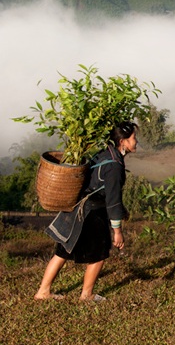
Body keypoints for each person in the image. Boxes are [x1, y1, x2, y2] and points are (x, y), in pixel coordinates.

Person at [34, 122, 138, 302]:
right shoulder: (114, 166)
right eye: (133, 138)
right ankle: (87, 295)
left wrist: (123, 210)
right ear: (123, 141)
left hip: (77, 208)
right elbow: (112, 200)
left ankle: (43, 291)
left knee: (63, 252)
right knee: (99, 254)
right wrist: (118, 232)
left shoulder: (104, 154)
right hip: (92, 213)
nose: (136, 142)